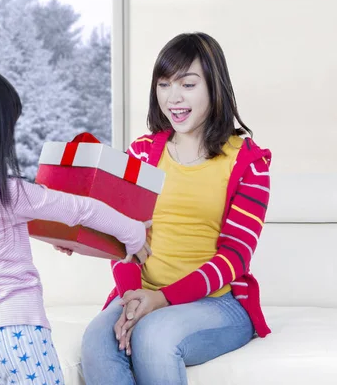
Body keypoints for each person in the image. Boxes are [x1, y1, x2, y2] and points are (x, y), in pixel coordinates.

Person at [0, 65, 151, 385]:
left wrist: (62, 238)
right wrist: (133, 233)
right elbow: (82, 209)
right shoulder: (7, 192)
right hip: (18, 336)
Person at [79, 32, 273, 385]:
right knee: (96, 341)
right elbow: (121, 237)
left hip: (217, 303)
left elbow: (234, 259)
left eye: (188, 84)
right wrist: (132, 297)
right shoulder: (141, 153)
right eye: (164, 84)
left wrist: (161, 299)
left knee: (153, 337)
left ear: (214, 87)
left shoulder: (248, 162)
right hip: (141, 294)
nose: (174, 97)